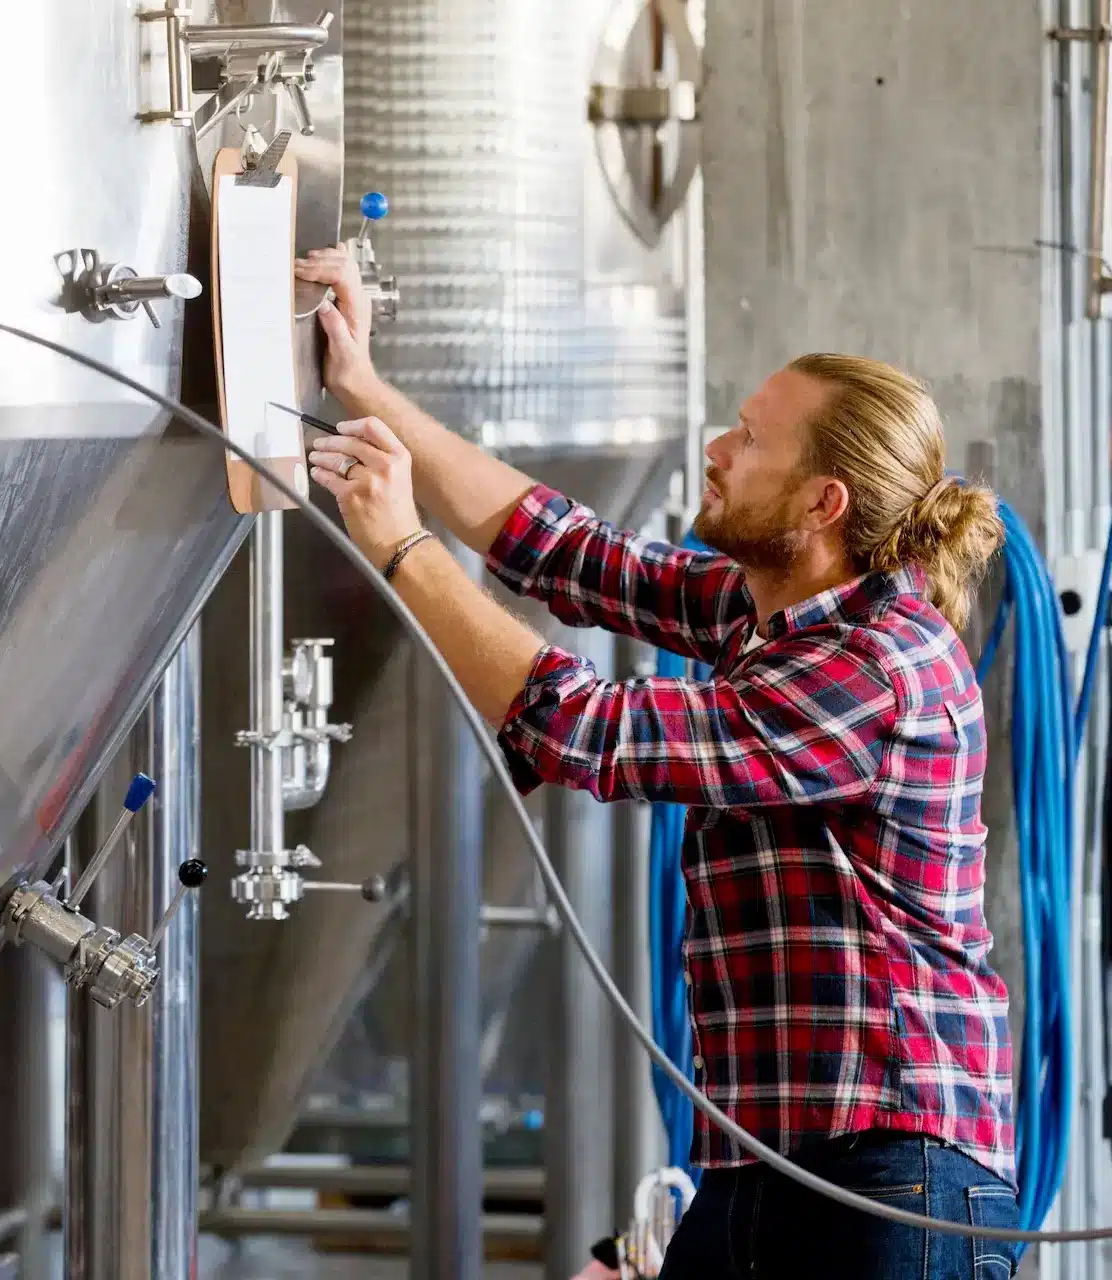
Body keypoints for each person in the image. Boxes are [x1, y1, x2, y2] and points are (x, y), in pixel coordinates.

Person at [295, 243, 1021, 1278]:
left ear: (821, 503)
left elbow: (584, 728)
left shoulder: (875, 664)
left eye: (750, 437)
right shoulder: (766, 614)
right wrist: (363, 387)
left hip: (884, 1174)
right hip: (767, 1156)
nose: (718, 448)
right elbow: (560, 547)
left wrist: (405, 550)